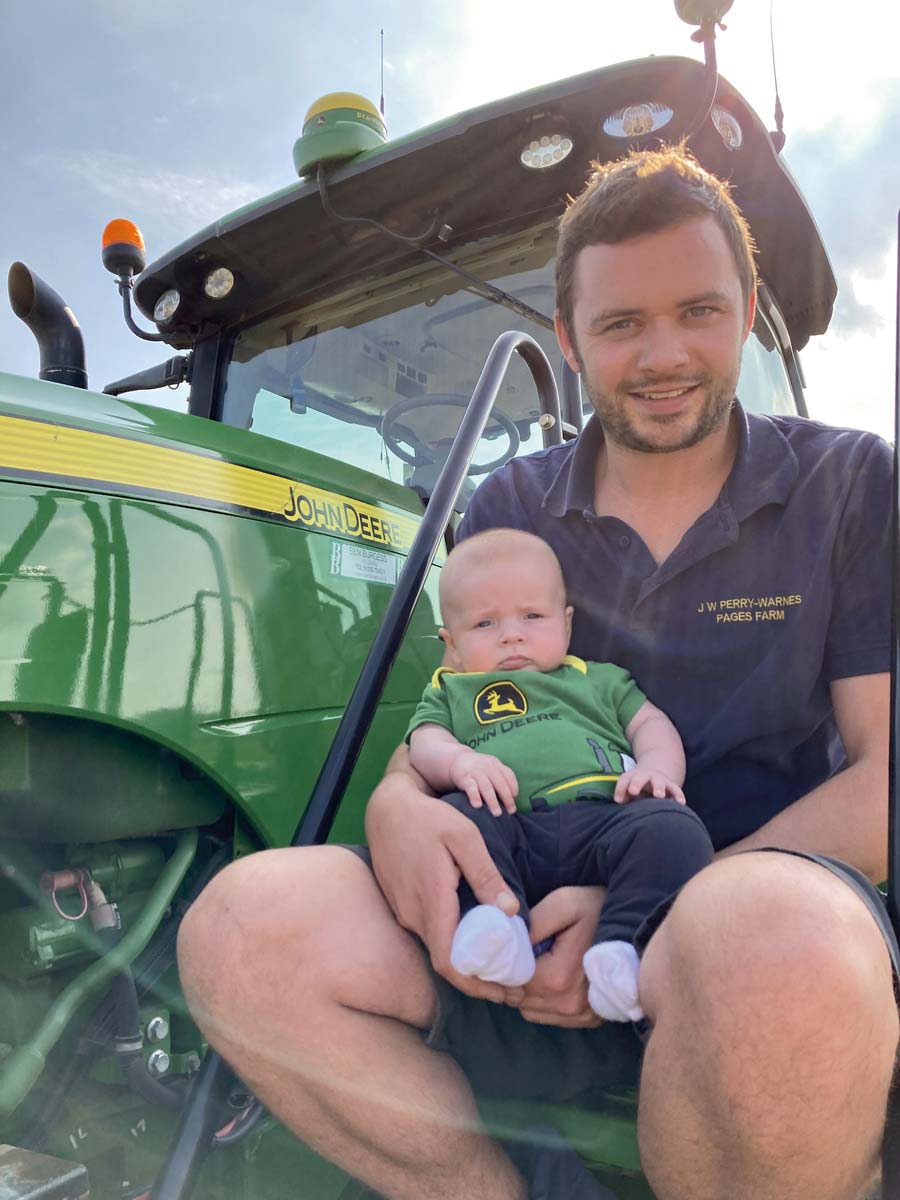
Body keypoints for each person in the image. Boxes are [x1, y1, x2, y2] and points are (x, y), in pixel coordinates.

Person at [178, 145, 898, 1200]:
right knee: (242, 929)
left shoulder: (849, 482)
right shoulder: (509, 504)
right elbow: (457, 721)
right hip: (515, 912)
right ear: (567, 340)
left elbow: (886, 776)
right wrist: (395, 809)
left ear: (747, 312)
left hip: (739, 916)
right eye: (620, 325)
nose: (664, 353)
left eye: (698, 311)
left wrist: (653, 901)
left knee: (770, 946)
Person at [407, 526, 713, 1020]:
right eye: (485, 624)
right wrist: (461, 762)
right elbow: (425, 743)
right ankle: (494, 929)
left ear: (566, 624)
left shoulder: (597, 679)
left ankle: (626, 953)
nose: (513, 634)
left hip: (604, 820)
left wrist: (657, 770)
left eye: (532, 616)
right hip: (507, 825)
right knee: (456, 820)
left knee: (673, 829)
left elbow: (651, 724)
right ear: (453, 644)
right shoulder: (452, 690)